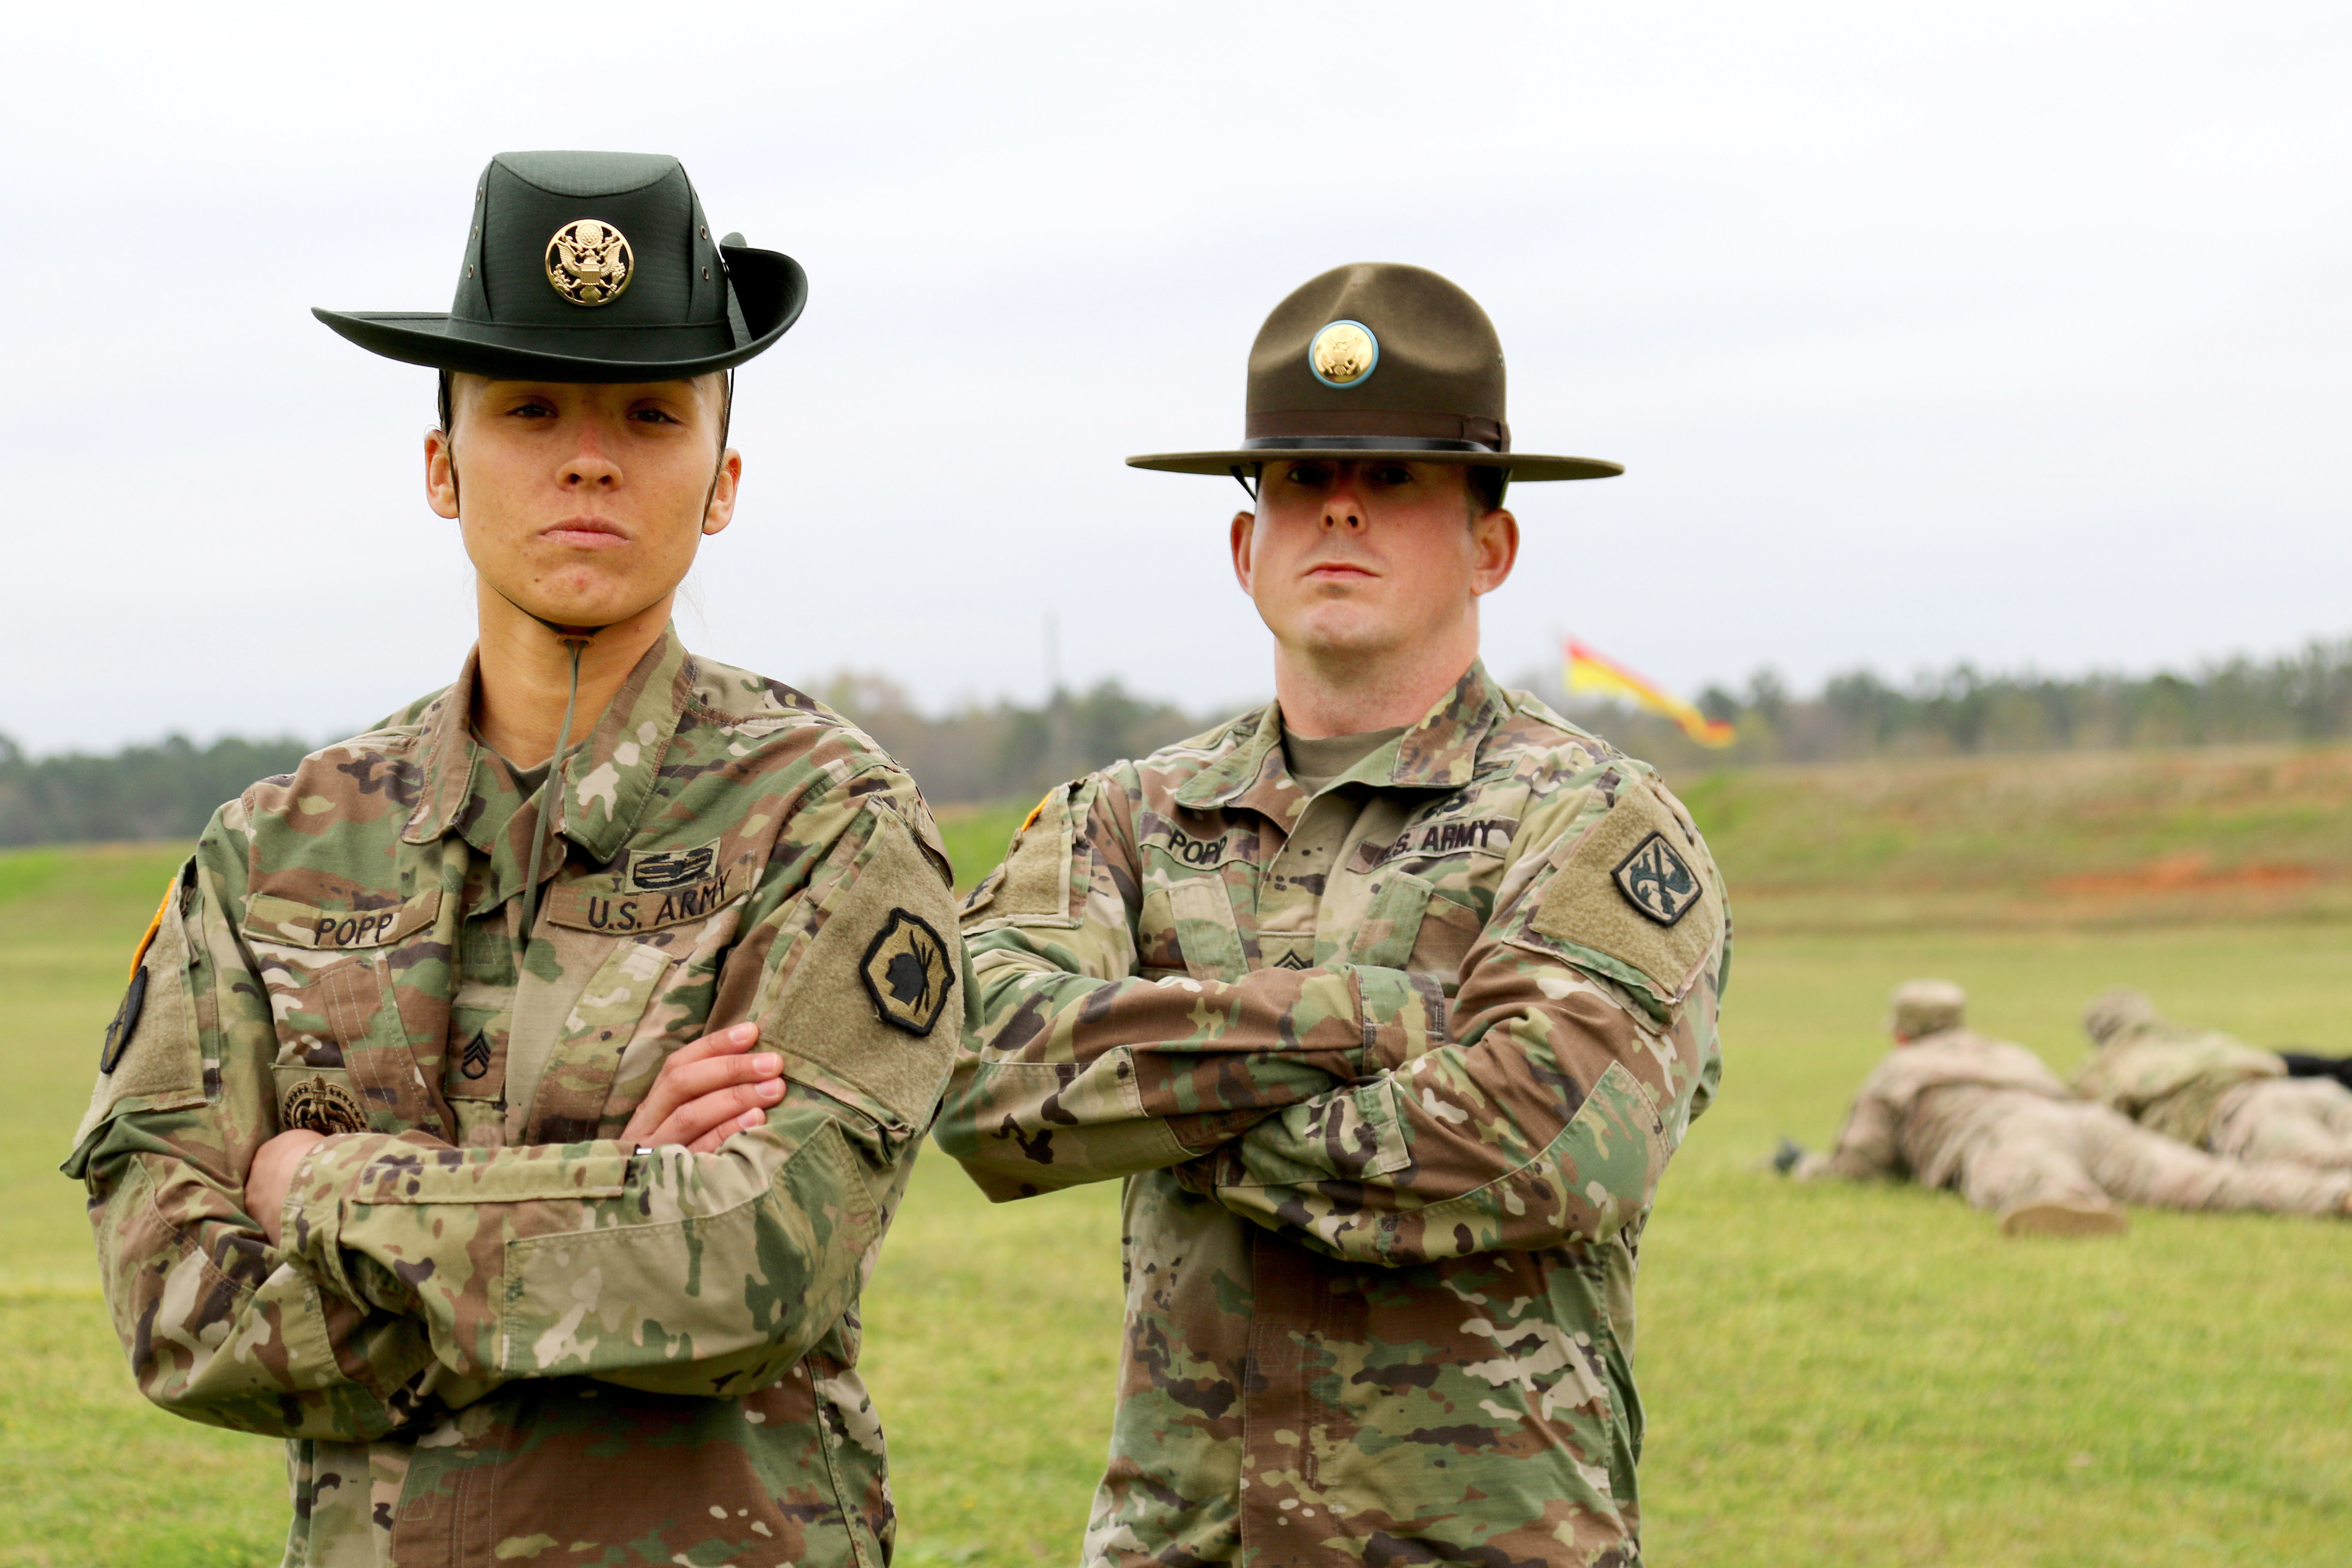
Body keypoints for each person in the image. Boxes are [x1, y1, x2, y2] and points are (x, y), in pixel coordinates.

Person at [64, 151, 963, 1566]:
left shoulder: (829, 821)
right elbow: (176, 1307)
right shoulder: (277, 848)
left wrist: (319, 1186)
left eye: (650, 413)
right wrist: (613, 1204)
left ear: (721, 482)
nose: (589, 455)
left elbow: (750, 1266)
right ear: (441, 464)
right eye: (530, 406)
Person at [936, 263, 1729, 1567]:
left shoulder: (1594, 823)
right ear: (1248, 547)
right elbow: (980, 1080)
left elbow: (1538, 1148)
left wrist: (1149, 1116)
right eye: (1302, 479)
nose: (1341, 506)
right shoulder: (1126, 818)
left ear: (1492, 543)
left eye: (1396, 477)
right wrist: (1394, 1020)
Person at [1780, 980, 2352, 1235]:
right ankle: (2333, 1197)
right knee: (2216, 1184)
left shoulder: (1897, 1073)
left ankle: (2068, 1204)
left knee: (2047, 1193)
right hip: (2086, 1123)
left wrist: (1798, 1166)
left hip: (2008, 1134)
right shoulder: (2010, 1053)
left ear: (1901, 1035)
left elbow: (1859, 1166)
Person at [2076, 987, 2352, 1171]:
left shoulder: (2104, 1068)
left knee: (2329, 1166)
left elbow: (2098, 1129)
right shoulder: (2189, 1034)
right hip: (2303, 1090)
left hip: (2242, 1114)